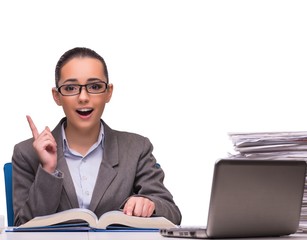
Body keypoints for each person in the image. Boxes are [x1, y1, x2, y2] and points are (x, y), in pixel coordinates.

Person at [12, 47, 182, 226]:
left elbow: (172, 213)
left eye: (94, 87)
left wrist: (150, 204)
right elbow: (21, 226)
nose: (83, 97)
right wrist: (48, 170)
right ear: (57, 96)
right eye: (70, 88)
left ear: (108, 92)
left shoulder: (137, 148)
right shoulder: (26, 153)